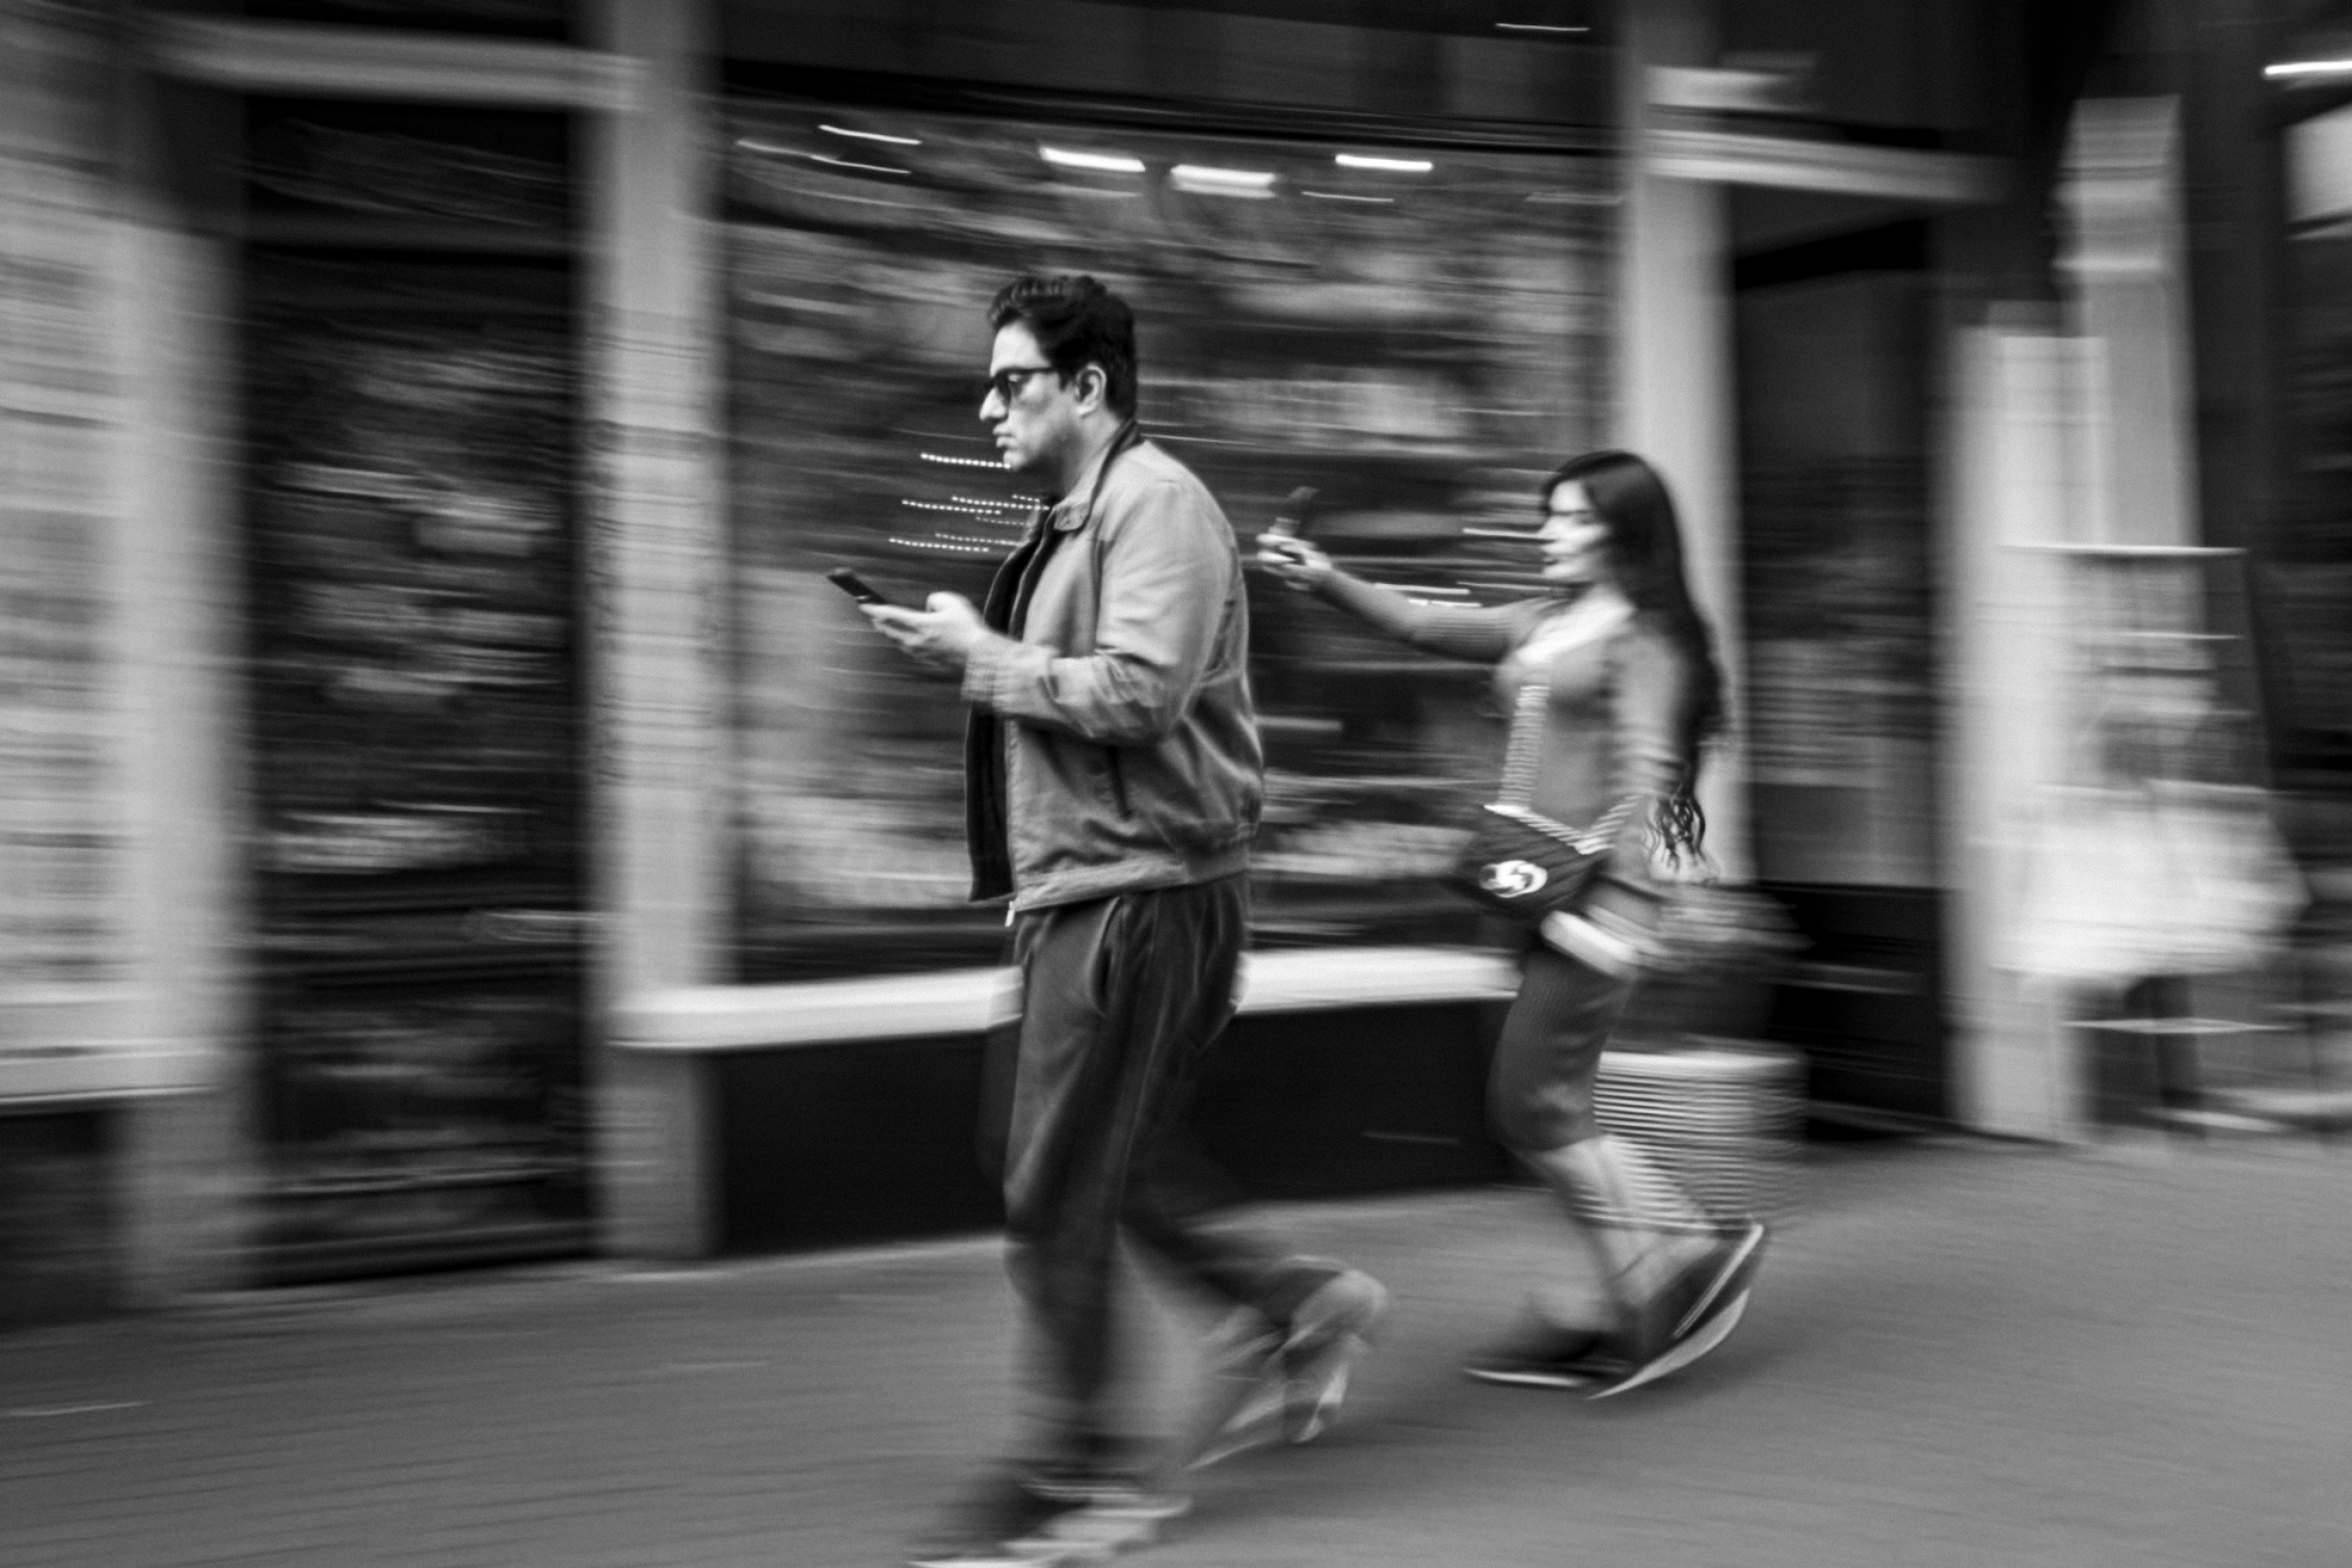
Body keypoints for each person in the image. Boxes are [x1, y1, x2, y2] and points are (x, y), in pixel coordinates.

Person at [864, 273, 1388, 1567]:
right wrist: (962, 648)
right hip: (1086, 886)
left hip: (1141, 891)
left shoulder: (1157, 504)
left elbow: (1143, 693)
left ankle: (1087, 1478)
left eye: (1012, 381)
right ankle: (1296, 1303)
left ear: (1087, 385)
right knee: (1088, 1155)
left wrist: (983, 659)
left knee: (1056, 1183)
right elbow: (1065, 684)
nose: (988, 407)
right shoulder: (1079, 516)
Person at [1256, 451, 1766, 1394]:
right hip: (1530, 889)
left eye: (1572, 517)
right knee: (1546, 1108)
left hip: (1594, 907)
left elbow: (1649, 780)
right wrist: (1322, 576)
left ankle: (1693, 1246)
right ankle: (1604, 1301)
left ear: (1623, 532)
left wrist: (1620, 909)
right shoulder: (1543, 623)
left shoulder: (1642, 641)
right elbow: (1418, 623)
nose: (1547, 531)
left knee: (1530, 1104)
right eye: (1548, 514)